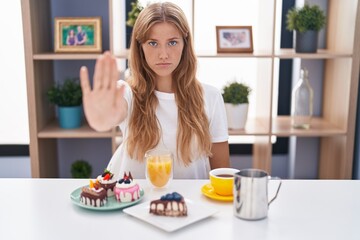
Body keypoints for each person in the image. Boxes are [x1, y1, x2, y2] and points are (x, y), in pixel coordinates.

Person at [79, 2, 230, 179]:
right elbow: (110, 115)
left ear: (185, 43)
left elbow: (222, 174)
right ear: (140, 47)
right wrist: (100, 119)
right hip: (133, 204)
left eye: (172, 42)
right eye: (153, 43)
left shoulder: (210, 97)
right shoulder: (128, 93)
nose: (163, 54)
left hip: (192, 205)